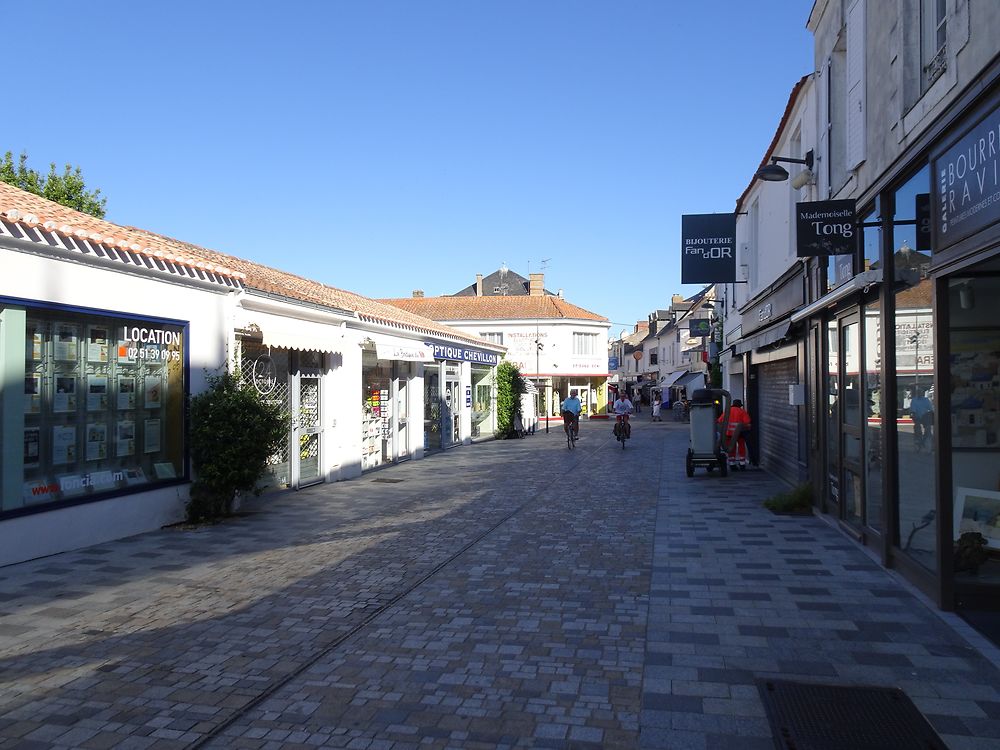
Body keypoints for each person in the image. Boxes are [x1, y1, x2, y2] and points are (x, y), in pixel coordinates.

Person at [719, 398, 752, 469]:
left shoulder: (727, 411)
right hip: (739, 434)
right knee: (741, 447)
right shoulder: (742, 411)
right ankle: (742, 464)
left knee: (731, 448)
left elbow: (720, 420)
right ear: (740, 406)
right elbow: (747, 422)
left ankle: (732, 464)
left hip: (728, 433)